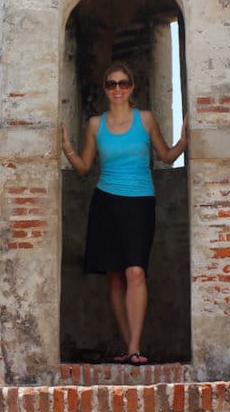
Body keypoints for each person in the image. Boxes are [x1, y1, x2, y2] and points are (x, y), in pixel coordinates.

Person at [61, 62, 187, 366]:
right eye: (111, 84)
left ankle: (134, 347)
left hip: (140, 202)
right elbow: (83, 168)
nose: (117, 89)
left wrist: (184, 140)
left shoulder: (145, 120)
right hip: (105, 202)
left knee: (135, 272)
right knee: (115, 277)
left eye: (123, 83)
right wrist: (66, 147)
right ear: (105, 88)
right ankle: (128, 346)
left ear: (132, 87)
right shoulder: (95, 125)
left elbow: (166, 157)